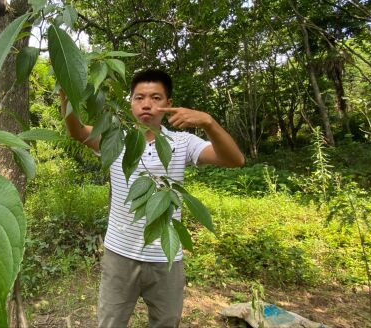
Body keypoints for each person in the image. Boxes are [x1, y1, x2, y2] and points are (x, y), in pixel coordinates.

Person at [60, 69, 244, 328]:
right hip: (120, 254)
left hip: (165, 258)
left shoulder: (182, 142)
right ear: (131, 103)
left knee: (166, 323)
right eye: (139, 98)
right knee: (110, 323)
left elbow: (234, 159)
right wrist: (66, 97)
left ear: (169, 104)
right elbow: (77, 132)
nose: (147, 104)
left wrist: (208, 122)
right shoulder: (115, 138)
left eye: (156, 98)